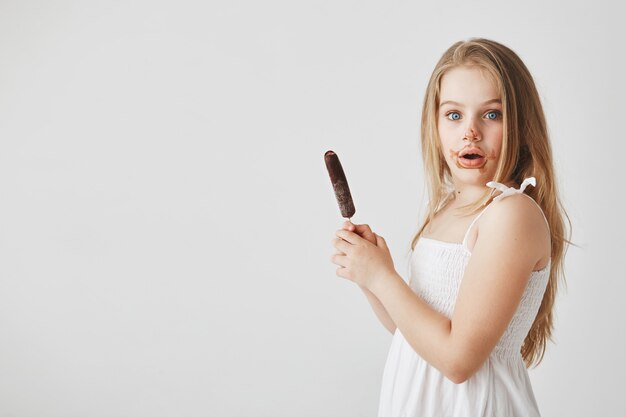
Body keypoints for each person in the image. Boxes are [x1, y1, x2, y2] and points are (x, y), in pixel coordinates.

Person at [329, 38, 572, 417]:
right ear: (435, 123)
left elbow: (457, 360)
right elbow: (413, 335)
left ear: (522, 125)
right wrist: (372, 275)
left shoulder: (510, 215)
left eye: (491, 114)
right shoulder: (447, 208)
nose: (470, 131)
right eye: (454, 115)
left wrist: (382, 280)